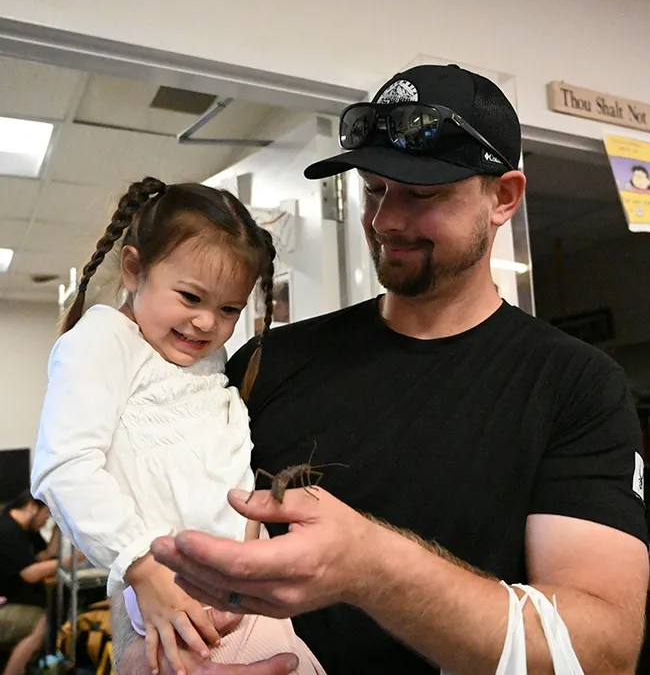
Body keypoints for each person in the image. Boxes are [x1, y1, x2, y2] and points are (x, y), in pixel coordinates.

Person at [117, 65, 649, 675]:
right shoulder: (267, 362)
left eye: (421, 195)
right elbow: (151, 538)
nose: (384, 221)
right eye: (374, 188)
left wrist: (372, 568)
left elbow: (603, 652)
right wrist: (145, 658)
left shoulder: (575, 385)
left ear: (503, 198)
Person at [30, 179, 325, 675]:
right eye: (190, 297)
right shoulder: (104, 339)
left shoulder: (204, 359)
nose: (208, 324)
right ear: (133, 269)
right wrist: (143, 569)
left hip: (243, 590)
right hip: (173, 598)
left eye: (230, 308)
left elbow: (222, 471)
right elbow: (64, 468)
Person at [0, 492, 53, 675]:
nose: (45, 521)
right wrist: (67, 562)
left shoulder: (26, 531)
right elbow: (29, 573)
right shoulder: (6, 530)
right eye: (46, 515)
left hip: (13, 601)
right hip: (4, 607)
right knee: (44, 622)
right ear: (32, 507)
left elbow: (44, 556)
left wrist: (61, 528)